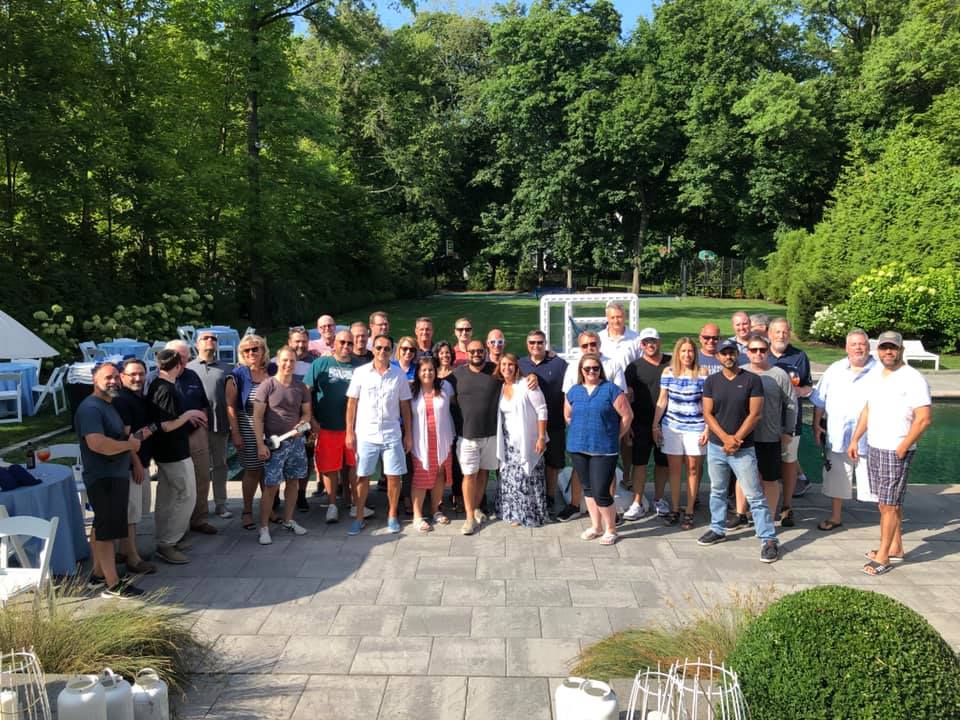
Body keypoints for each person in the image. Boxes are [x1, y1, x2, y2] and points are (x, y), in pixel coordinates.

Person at [848, 330, 932, 576]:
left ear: (900, 350)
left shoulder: (913, 378)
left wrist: (904, 446)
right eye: (884, 347)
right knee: (886, 504)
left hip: (895, 450)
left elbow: (924, 419)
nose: (888, 352)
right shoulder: (876, 375)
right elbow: (868, 410)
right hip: (875, 446)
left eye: (892, 348)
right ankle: (896, 547)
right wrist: (856, 439)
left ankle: (884, 556)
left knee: (889, 504)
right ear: (878, 350)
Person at [698, 339, 780, 563]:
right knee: (717, 490)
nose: (728, 357)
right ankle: (717, 528)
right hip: (717, 447)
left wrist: (736, 439)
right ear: (718, 357)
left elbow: (755, 414)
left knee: (754, 495)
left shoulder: (752, 380)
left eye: (731, 352)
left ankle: (768, 539)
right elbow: (708, 413)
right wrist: (725, 438)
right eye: (723, 353)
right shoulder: (711, 381)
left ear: (738, 354)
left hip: (743, 448)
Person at [77, 362, 148, 597]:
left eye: (116, 377)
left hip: (115, 475)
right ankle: (112, 585)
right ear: (94, 380)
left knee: (101, 527)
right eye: (107, 377)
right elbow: (97, 444)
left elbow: (117, 436)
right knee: (107, 533)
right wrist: (129, 445)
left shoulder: (109, 405)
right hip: (103, 477)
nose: (113, 381)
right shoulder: (90, 408)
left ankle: (98, 575)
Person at [345, 333, 413, 535]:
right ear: (372, 349)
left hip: (392, 433)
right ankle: (359, 517)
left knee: (394, 477)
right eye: (378, 348)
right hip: (366, 433)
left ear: (392, 351)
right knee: (362, 476)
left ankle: (392, 515)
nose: (382, 351)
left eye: (386, 348)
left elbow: (405, 406)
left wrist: (408, 434)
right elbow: (352, 403)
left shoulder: (398, 374)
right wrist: (349, 431)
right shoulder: (360, 373)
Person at [728, 332, 797, 530]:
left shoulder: (779, 375)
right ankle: (741, 513)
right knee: (743, 476)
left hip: (770, 435)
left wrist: (788, 431)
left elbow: (791, 404)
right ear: (747, 352)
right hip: (745, 436)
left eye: (762, 350)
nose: (758, 353)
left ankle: (768, 515)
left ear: (767, 352)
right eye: (753, 350)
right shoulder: (739, 372)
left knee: (770, 478)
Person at [811, 328, 877, 531]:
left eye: (862, 344)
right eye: (854, 344)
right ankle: (836, 516)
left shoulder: (881, 370)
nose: (858, 348)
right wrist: (816, 424)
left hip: (871, 436)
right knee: (838, 477)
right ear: (846, 348)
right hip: (838, 434)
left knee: (876, 481)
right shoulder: (835, 369)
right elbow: (820, 400)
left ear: (868, 346)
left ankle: (888, 519)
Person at [564, 353, 633, 545]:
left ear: (600, 369)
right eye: (587, 369)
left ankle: (611, 528)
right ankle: (596, 526)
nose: (591, 371)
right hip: (579, 447)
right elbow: (568, 416)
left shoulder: (611, 390)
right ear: (581, 371)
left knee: (602, 491)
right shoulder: (574, 391)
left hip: (604, 449)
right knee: (588, 488)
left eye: (595, 368)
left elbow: (627, 416)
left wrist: (616, 435)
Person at [148, 349, 208, 564]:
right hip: (174, 452)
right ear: (179, 367)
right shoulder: (166, 389)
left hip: (166, 451)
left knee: (167, 496)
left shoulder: (157, 384)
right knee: (186, 496)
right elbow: (166, 425)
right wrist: (189, 415)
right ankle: (168, 542)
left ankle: (167, 539)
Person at [559, 330, 626, 522]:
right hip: (581, 435)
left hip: (605, 434)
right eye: (585, 345)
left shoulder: (612, 364)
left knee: (607, 474)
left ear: (599, 344)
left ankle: (610, 512)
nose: (590, 348)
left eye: (593, 344)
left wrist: (615, 434)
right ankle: (574, 504)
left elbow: (623, 400)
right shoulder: (573, 367)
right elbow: (568, 401)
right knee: (581, 473)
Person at [304, 329, 366, 524]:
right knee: (330, 468)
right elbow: (306, 392)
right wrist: (311, 419)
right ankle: (332, 505)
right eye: (342, 343)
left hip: (354, 428)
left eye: (349, 343)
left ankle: (356, 504)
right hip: (327, 425)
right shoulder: (321, 364)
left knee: (354, 466)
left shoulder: (361, 366)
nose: (346, 347)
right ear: (334, 344)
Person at [252, 345, 311, 545]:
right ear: (278, 361)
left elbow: (306, 413)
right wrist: (260, 444)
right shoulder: (267, 385)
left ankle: (288, 520)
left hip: (296, 443)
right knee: (271, 486)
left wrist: (302, 424)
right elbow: (257, 418)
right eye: (285, 360)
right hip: (274, 445)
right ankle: (264, 527)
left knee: (293, 482)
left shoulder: (301, 387)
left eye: (292, 361)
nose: (288, 364)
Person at [651, 337, 708, 531]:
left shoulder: (702, 373)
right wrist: (655, 425)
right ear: (677, 353)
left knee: (692, 469)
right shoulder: (668, 372)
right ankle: (675, 508)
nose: (687, 355)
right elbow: (662, 400)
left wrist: (708, 428)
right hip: (672, 427)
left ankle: (690, 510)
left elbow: (707, 404)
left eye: (690, 351)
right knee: (674, 470)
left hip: (696, 427)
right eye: (683, 351)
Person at [111, 358, 157, 575]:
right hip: (130, 466)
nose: (138, 378)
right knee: (132, 514)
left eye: (141, 373)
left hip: (140, 461)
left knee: (135, 511)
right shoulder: (122, 401)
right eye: (132, 375)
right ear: (122, 377)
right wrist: (136, 463)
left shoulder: (138, 397)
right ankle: (133, 558)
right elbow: (125, 437)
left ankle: (123, 550)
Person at [452, 339, 502, 535]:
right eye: (472, 351)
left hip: (491, 434)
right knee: (469, 475)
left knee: (483, 473)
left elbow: (515, 371)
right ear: (467, 352)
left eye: (480, 350)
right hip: (468, 436)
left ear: (485, 351)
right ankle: (469, 518)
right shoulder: (457, 375)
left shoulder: (495, 371)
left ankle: (477, 508)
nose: (476, 354)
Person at [166, 339, 216, 535]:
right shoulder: (158, 379)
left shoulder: (191, 375)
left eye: (187, 358)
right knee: (177, 483)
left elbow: (203, 402)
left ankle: (199, 518)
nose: (184, 363)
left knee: (202, 477)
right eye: (180, 359)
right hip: (172, 436)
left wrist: (202, 419)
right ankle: (178, 525)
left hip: (197, 433)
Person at [495, 353, 549, 527]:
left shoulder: (527, 384)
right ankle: (513, 512)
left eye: (510, 364)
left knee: (528, 478)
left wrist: (541, 437)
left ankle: (530, 514)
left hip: (528, 441)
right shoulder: (501, 387)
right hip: (508, 442)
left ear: (516, 367)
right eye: (503, 364)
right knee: (511, 479)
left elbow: (542, 410)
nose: (506, 368)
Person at [768, 317, 813, 520]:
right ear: (769, 334)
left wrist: (798, 390)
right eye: (777, 332)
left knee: (788, 462)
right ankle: (764, 507)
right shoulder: (760, 353)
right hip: (765, 421)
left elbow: (808, 387)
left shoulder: (799, 356)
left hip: (790, 420)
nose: (781, 335)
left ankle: (787, 505)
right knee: (763, 465)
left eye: (785, 331)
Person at [227, 334, 273, 533]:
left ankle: (268, 509)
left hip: (271, 429)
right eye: (247, 350)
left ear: (263, 351)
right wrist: (235, 433)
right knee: (253, 471)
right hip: (248, 429)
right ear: (241, 353)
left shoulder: (272, 372)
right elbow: (230, 406)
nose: (252, 353)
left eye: (256, 349)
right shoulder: (236, 375)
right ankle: (247, 510)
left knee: (269, 471)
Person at [519, 329, 568, 515]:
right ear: (527, 344)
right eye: (532, 342)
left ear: (545, 343)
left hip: (554, 422)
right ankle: (531, 497)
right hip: (529, 425)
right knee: (530, 461)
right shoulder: (520, 363)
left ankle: (550, 496)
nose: (536, 346)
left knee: (553, 463)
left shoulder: (559, 364)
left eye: (539, 342)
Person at [187, 331, 234, 523]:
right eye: (205, 338)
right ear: (197, 344)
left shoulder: (226, 368)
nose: (210, 341)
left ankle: (221, 503)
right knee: (199, 467)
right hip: (197, 425)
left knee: (221, 464)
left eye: (213, 339)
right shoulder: (188, 368)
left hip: (220, 421)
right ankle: (199, 505)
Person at [623, 328, 670, 521]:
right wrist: (627, 427)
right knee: (639, 463)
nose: (649, 345)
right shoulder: (633, 367)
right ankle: (637, 502)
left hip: (667, 422)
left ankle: (659, 499)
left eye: (653, 341)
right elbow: (627, 397)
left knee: (662, 462)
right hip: (641, 423)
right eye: (645, 342)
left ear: (659, 342)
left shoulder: (671, 362)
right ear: (640, 345)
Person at [409, 357, 455, 532]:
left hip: (442, 439)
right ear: (418, 373)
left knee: (439, 475)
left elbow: (454, 406)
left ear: (435, 372)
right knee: (420, 478)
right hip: (420, 441)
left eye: (431, 370)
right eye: (424, 370)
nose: (427, 373)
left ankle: (436, 510)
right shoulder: (411, 390)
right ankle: (417, 515)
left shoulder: (445, 388)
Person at [283, 326, 317, 511]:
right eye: (297, 341)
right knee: (280, 457)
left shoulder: (316, 363)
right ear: (289, 342)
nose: (300, 345)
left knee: (306, 457)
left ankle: (301, 494)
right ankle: (276, 496)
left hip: (307, 422)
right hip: (282, 422)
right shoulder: (277, 362)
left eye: (304, 341)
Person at [598, 301, 639, 366]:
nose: (616, 321)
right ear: (607, 318)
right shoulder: (599, 338)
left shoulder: (636, 338)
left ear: (625, 317)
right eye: (612, 317)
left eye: (619, 317)